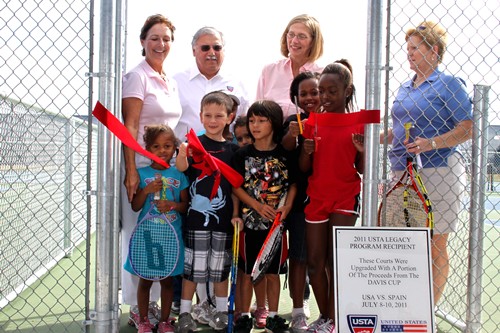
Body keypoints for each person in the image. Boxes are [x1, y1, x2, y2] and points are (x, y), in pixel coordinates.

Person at [382, 21, 472, 306]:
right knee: (403, 244)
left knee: (435, 243)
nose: (409, 53)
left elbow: (468, 127)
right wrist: (376, 138)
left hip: (439, 169)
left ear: (433, 51)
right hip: (402, 171)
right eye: (407, 48)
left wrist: (431, 143)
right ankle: (407, 303)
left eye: (415, 48)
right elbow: (399, 130)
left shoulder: (449, 84)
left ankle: (428, 310)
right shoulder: (405, 88)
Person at [120, 14, 183, 328]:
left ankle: (153, 306)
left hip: (166, 171)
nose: (161, 44)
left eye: (167, 39)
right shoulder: (137, 76)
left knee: (160, 236)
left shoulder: (168, 79)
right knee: (138, 237)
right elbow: (130, 126)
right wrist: (132, 170)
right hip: (143, 169)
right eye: (155, 38)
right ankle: (135, 306)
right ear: (143, 42)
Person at [299, 62, 365, 333]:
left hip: (345, 198)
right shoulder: (312, 121)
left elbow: (362, 170)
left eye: (331, 91)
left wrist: (362, 149)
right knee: (315, 263)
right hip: (317, 198)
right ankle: (325, 317)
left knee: (335, 263)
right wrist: (306, 150)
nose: (324, 97)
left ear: (347, 91)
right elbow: (304, 168)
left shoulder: (359, 122)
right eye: (321, 91)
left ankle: (337, 318)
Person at [175, 91, 240, 333]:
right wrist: (182, 153)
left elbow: (234, 189)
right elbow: (182, 168)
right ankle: (184, 313)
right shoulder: (194, 145)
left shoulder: (233, 150)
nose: (213, 120)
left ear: (229, 117)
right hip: (195, 221)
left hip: (222, 222)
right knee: (193, 270)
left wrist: (235, 213)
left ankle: (221, 312)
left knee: (220, 271)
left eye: (219, 115)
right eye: (208, 115)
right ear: (201, 117)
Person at [232, 100, 297, 333]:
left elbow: (293, 185)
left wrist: (286, 208)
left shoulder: (285, 154)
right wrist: (256, 207)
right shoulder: (242, 154)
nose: (255, 125)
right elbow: (236, 187)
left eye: (261, 120)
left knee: (272, 274)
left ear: (274, 123)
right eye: (252, 120)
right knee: (248, 272)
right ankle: (244, 318)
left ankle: (272, 316)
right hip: (250, 224)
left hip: (276, 227)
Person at [124, 125, 189, 333]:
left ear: (175, 148)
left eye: (168, 146)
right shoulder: (142, 174)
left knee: (167, 281)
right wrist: (146, 190)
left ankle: (164, 321)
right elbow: (135, 206)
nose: (162, 150)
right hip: (148, 237)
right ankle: (143, 320)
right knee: (145, 280)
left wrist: (172, 206)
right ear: (148, 149)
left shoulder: (179, 175)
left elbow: (184, 206)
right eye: (156, 146)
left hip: (171, 238)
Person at [281, 70, 321, 332]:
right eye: (303, 93)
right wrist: (292, 134)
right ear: (294, 97)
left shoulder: (332, 120)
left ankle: (329, 310)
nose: (309, 98)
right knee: (298, 255)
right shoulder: (292, 121)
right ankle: (298, 311)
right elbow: (284, 148)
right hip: (297, 200)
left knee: (321, 259)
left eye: (314, 92)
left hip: (324, 197)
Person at [173, 26, 251, 138]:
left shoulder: (237, 84)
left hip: (226, 153)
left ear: (223, 50)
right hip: (186, 153)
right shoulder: (176, 82)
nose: (212, 52)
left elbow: (243, 123)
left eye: (217, 48)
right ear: (194, 51)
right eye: (205, 48)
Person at [256, 14, 324, 120]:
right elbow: (256, 112)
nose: (294, 41)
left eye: (301, 36)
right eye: (291, 35)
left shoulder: (323, 75)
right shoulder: (269, 71)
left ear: (313, 42)